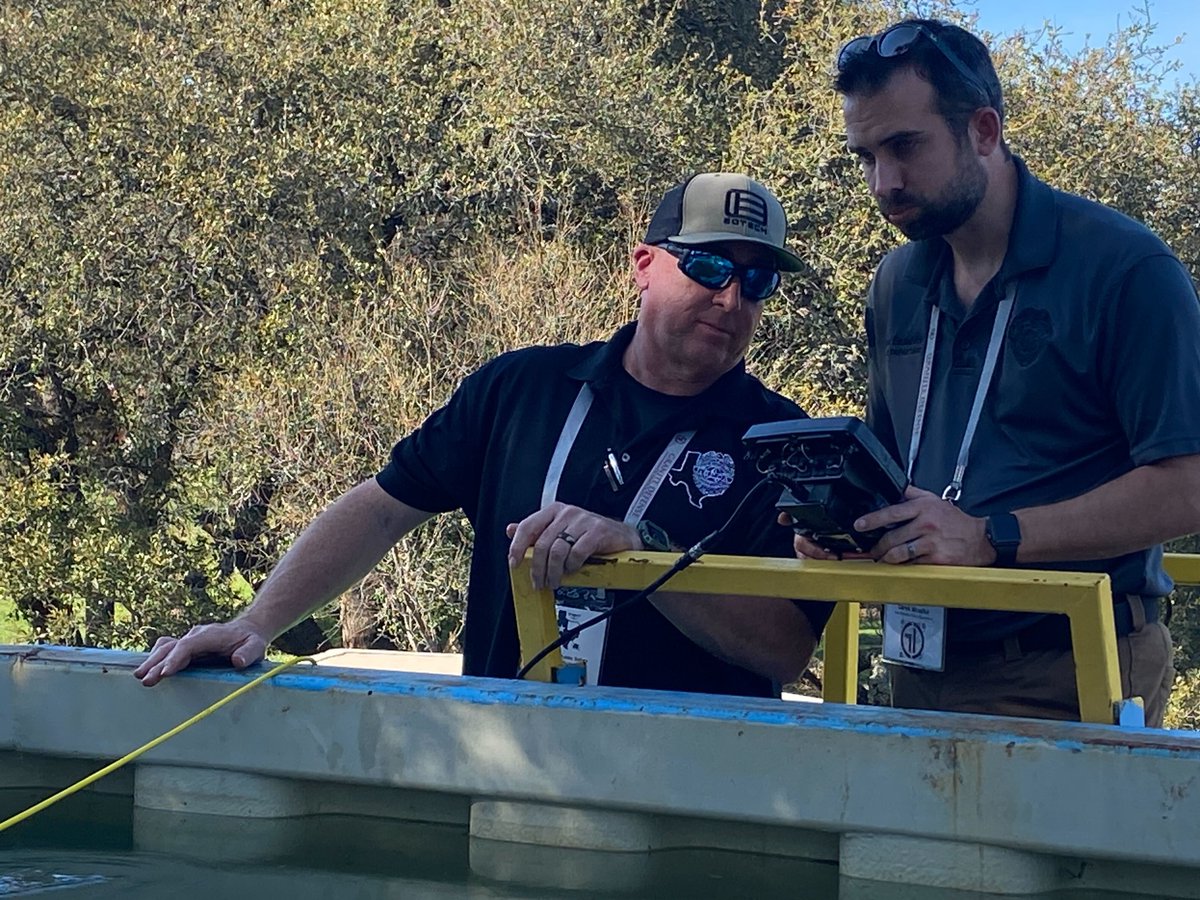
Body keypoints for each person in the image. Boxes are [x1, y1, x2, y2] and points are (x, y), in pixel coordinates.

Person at [136, 172, 833, 698]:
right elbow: (383, 506)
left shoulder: (786, 441)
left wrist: (647, 556)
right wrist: (258, 623)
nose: (731, 297)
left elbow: (783, 652)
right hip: (511, 759)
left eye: (757, 278)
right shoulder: (520, 389)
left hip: (696, 789)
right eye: (709, 267)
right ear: (643, 265)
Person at [794, 19, 1200, 726]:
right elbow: (897, 467)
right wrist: (845, 524)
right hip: (918, 659)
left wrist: (989, 537)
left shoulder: (1126, 269)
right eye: (864, 156)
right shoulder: (896, 280)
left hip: (1069, 660)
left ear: (984, 129)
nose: (883, 183)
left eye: (904, 147)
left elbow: (1188, 485)